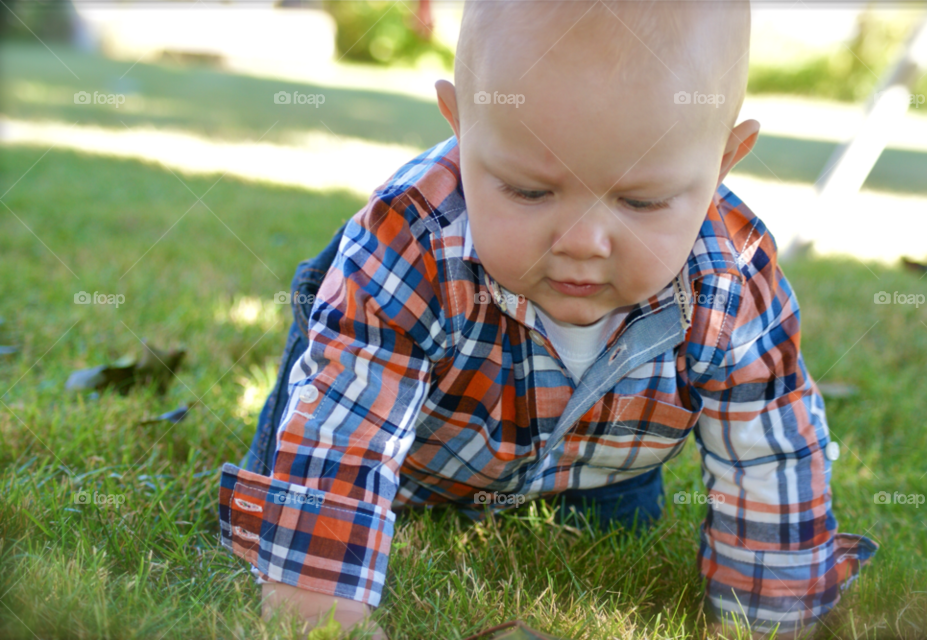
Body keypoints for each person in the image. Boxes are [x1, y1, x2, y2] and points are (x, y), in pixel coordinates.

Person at [219, 1, 878, 638]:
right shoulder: (411, 238)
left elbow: (772, 451)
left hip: (596, 463)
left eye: (642, 202)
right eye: (529, 191)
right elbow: (344, 435)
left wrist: (770, 619)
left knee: (618, 529)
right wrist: (320, 613)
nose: (583, 241)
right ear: (461, 125)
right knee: (277, 516)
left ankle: (561, 497)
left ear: (723, 161)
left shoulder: (734, 275)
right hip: (420, 448)